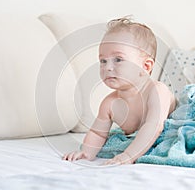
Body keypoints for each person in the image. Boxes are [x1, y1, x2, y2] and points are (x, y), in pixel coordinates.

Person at [63, 17, 176, 165]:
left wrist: (128, 156)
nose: (108, 67)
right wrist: (87, 152)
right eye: (103, 61)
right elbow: (98, 133)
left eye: (118, 59)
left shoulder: (156, 91)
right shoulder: (109, 104)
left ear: (146, 66)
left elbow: (154, 127)